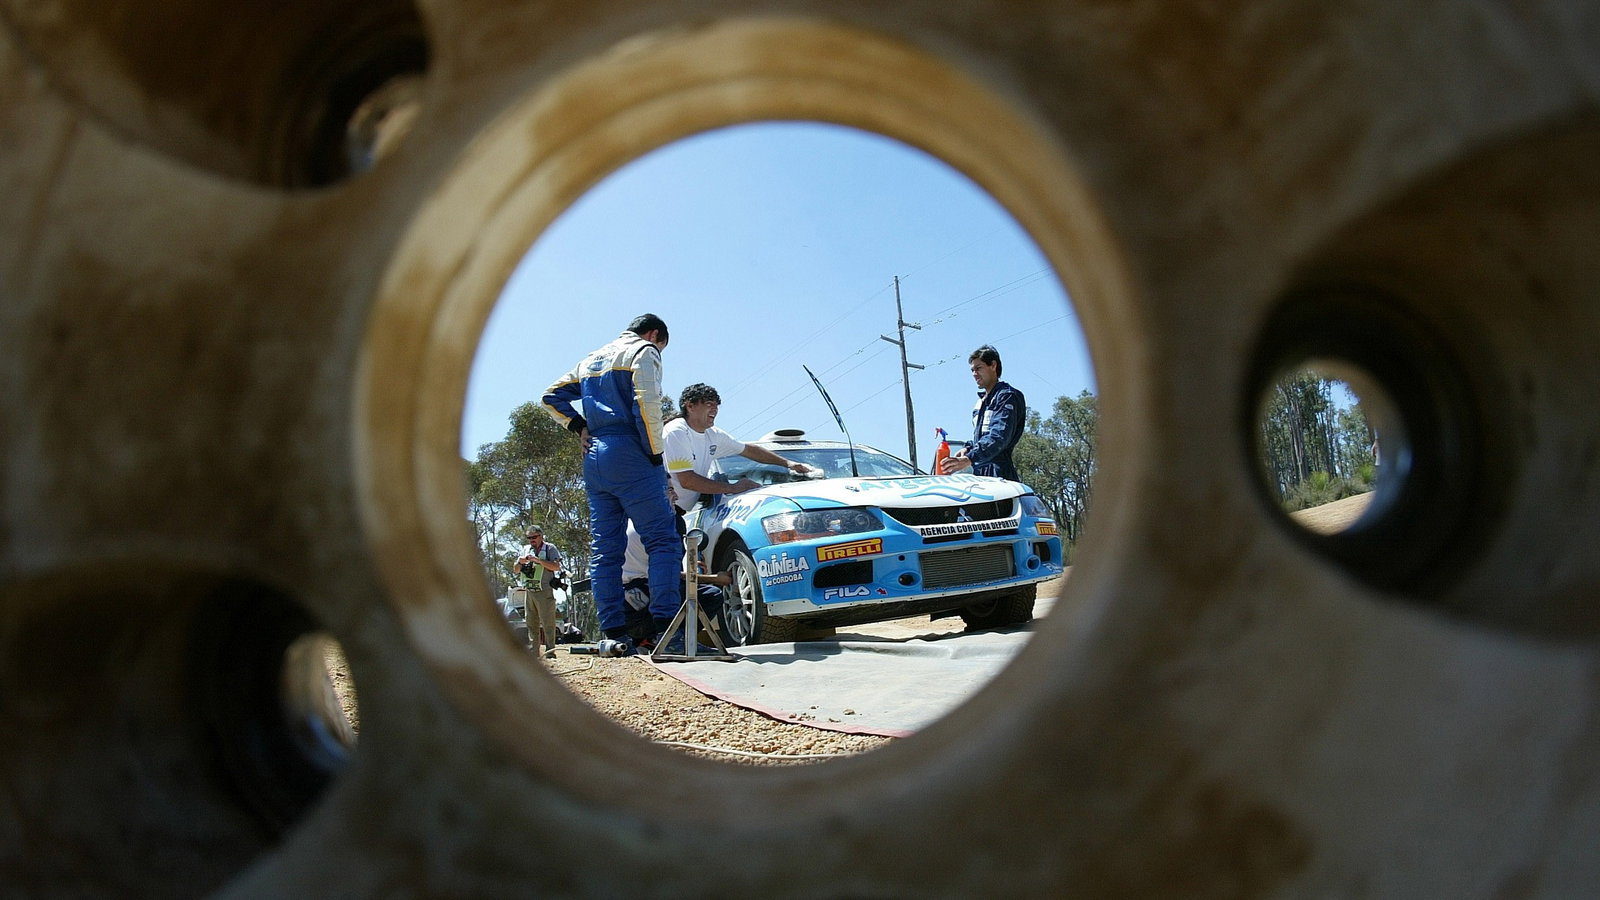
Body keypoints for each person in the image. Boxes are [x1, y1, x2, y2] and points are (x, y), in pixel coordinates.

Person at [542, 314, 683, 648]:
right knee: (662, 541)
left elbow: (550, 397)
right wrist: (654, 453)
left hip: (595, 457)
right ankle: (667, 629)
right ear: (653, 334)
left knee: (606, 550)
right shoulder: (643, 351)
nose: (659, 349)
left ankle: (613, 636)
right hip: (631, 451)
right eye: (661, 344)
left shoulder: (591, 359)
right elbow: (647, 402)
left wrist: (578, 426)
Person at [662, 383, 813, 512]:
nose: (715, 410)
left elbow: (749, 450)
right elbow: (687, 480)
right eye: (709, 404)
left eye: (717, 405)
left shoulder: (713, 435)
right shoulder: (677, 432)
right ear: (690, 406)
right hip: (662, 509)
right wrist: (733, 488)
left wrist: (788, 463)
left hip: (677, 510)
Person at [939, 344, 1025, 481]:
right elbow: (983, 437)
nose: (974, 374)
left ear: (993, 366)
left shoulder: (1007, 396)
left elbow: (998, 437)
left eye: (979, 368)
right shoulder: (981, 403)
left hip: (999, 474)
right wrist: (968, 448)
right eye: (972, 370)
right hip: (980, 474)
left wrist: (969, 458)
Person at [512, 525, 563, 658]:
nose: (531, 540)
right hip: (529, 591)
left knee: (548, 623)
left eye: (534, 537)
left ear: (541, 536)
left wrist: (538, 561)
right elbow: (516, 570)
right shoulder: (526, 550)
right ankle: (534, 652)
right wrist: (519, 562)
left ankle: (550, 652)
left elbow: (556, 566)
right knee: (531, 622)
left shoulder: (550, 549)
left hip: (544, 591)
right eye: (529, 538)